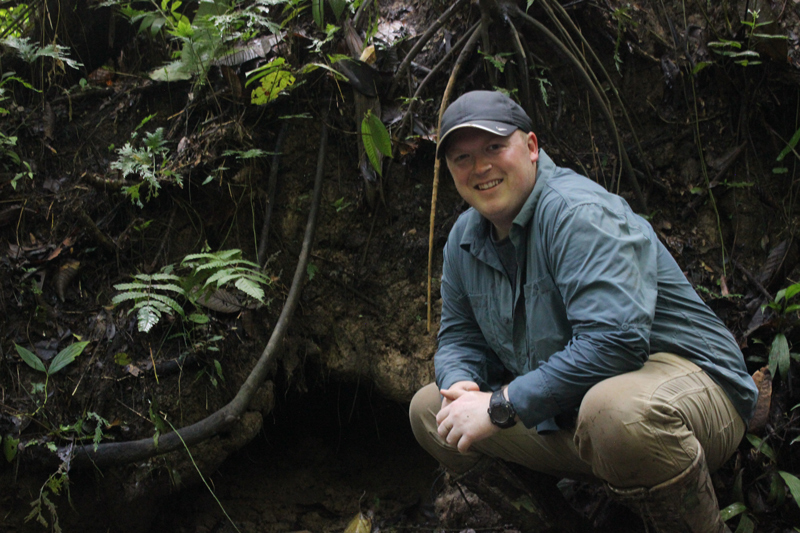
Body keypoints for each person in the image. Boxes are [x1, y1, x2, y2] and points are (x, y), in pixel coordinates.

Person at [409, 90, 758, 533]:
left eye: (495, 148)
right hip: (578, 416)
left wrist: (500, 404)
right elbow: (459, 336)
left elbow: (616, 343)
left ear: (532, 147)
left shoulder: (577, 213)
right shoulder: (464, 238)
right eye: (462, 158)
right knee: (431, 411)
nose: (480, 168)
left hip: (693, 396)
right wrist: (460, 384)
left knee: (613, 412)